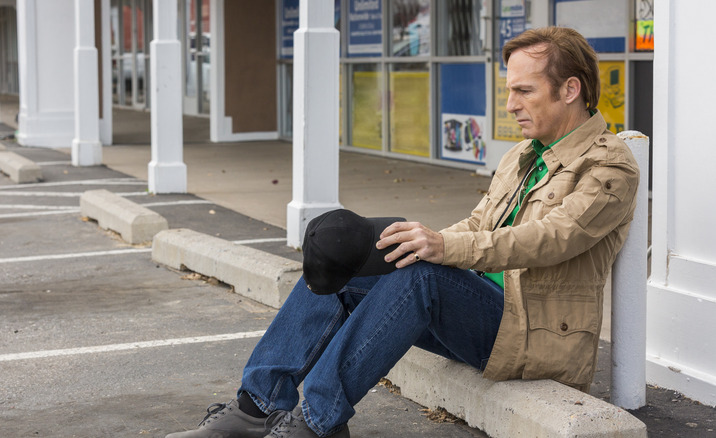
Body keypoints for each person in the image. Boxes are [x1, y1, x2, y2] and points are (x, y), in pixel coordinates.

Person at [165, 26, 639, 438]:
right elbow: (478, 226)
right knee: (355, 261)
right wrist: (423, 239)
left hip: (532, 334)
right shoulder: (522, 155)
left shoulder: (609, 164)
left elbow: (550, 239)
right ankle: (256, 409)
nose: (510, 104)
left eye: (525, 91)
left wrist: (443, 248)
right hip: (480, 311)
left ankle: (316, 422)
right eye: (508, 90)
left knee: (422, 275)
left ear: (570, 89)